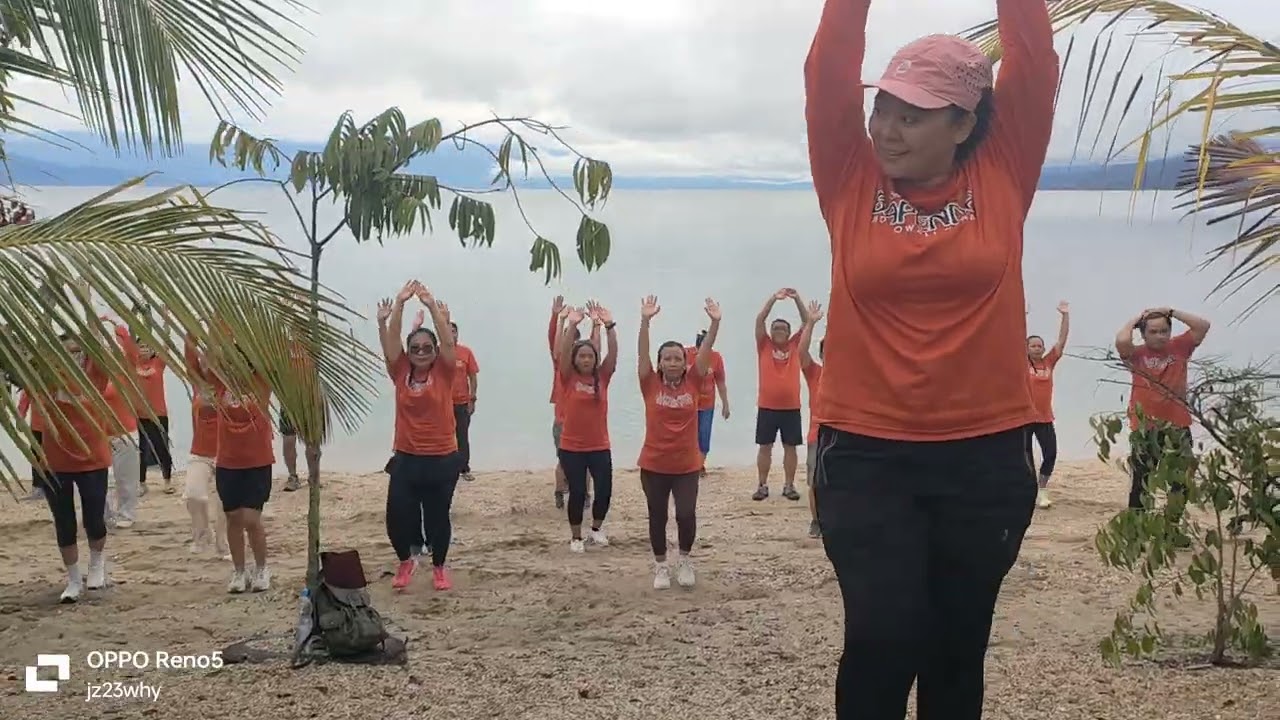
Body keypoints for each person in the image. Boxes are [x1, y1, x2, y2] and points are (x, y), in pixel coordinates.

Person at [805, 0, 1058, 717]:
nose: (886, 128)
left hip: (984, 457)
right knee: (885, 639)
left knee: (955, 650)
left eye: (912, 115)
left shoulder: (1004, 171)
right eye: (882, 108)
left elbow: (1034, 60)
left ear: (964, 124)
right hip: (865, 454)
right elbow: (827, 68)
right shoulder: (850, 173)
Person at [378, 280, 460, 591]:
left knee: (438, 518)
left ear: (435, 351)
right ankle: (406, 560)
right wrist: (398, 305)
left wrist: (430, 305)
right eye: (415, 349)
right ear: (409, 353)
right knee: (397, 515)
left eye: (427, 348)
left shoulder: (444, 370)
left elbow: (448, 344)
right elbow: (391, 345)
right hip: (407, 457)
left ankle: (439, 567)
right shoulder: (401, 371)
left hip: (441, 458)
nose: (421, 352)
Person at [638, 295, 720, 588]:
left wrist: (715, 323)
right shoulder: (649, 382)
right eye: (667, 358)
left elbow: (706, 350)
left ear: (686, 363)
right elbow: (642, 353)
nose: (672, 362)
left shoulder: (694, 382)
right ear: (660, 363)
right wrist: (645, 322)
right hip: (654, 464)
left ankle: (685, 560)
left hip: (686, 464)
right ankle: (661, 566)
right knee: (657, 515)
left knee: (686, 513)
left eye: (677, 358)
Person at [195, 337, 276, 593]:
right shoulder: (220, 384)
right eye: (231, 361)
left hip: (258, 461)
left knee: (251, 518)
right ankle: (240, 572)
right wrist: (212, 325)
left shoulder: (261, 383)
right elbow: (206, 354)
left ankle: (262, 568)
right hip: (228, 462)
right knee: (232, 518)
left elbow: (269, 352)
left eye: (241, 361)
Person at [1115, 307, 1211, 510]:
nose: (1160, 336)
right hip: (1145, 427)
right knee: (1142, 482)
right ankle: (1138, 530)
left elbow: (1202, 326)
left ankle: (1172, 528)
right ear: (1143, 335)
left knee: (1180, 481)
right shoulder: (1137, 354)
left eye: (1164, 331)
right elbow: (1122, 341)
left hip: (1178, 425)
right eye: (1153, 332)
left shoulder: (1180, 347)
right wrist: (1136, 319)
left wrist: (1171, 311)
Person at [554, 301, 619, 552]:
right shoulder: (567, 377)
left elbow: (612, 353)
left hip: (599, 445)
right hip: (572, 447)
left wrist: (609, 326)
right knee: (578, 492)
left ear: (595, 359)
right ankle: (576, 537)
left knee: (604, 490)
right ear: (575, 358)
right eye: (581, 355)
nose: (586, 359)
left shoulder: (602, 376)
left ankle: (596, 530)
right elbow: (563, 351)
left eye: (590, 355)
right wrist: (571, 324)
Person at [752, 288, 809, 502]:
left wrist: (797, 299)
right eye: (775, 328)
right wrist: (773, 300)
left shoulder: (795, 345)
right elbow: (760, 319)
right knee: (764, 446)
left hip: (791, 408)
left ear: (788, 332)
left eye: (782, 328)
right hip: (767, 406)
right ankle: (762, 485)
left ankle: (789, 485)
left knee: (790, 448)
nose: (778, 331)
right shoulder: (764, 345)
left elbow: (806, 322)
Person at [547, 296, 600, 509]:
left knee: (585, 463)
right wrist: (560, 321)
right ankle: (560, 493)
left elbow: (595, 348)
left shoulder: (590, 369)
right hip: (563, 420)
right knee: (564, 460)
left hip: (586, 423)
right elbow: (557, 346)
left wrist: (597, 324)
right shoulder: (563, 368)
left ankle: (584, 494)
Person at [183, 334, 228, 557]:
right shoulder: (198, 383)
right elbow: (189, 355)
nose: (205, 360)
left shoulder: (228, 383)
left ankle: (223, 543)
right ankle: (202, 536)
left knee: (224, 503)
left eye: (210, 356)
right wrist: (191, 330)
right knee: (194, 495)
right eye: (203, 356)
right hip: (200, 451)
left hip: (226, 453)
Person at [1026, 300, 1070, 509]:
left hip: (1044, 417)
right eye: (1033, 345)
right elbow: (1007, 340)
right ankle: (1028, 491)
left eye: (1039, 345)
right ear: (1025, 349)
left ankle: (1042, 489)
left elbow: (1061, 341)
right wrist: (1019, 314)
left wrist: (1065, 315)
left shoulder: (1048, 362)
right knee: (1024, 458)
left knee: (1050, 453)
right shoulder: (1020, 364)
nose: (1037, 348)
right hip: (1024, 419)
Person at [100, 319, 143, 528]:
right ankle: (106, 516)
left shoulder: (125, 371)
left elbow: (131, 350)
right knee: (103, 482)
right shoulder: (92, 373)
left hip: (125, 434)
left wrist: (117, 326)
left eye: (113, 346)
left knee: (126, 483)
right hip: (99, 436)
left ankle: (126, 514)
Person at [130, 329, 173, 495]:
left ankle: (167, 481)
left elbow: (166, 343)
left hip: (159, 414)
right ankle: (141, 483)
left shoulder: (158, 363)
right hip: (139, 415)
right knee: (141, 450)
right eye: (141, 347)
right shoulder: (133, 364)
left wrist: (166, 319)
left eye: (148, 347)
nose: (145, 349)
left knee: (162, 447)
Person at [279, 336, 322, 492]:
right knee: (289, 440)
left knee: (312, 442)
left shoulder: (312, 340)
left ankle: (313, 477)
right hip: (289, 400)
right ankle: (293, 476)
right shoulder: (281, 342)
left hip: (311, 399)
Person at [685, 329, 729, 477]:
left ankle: (699, 466)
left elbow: (721, 382)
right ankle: (689, 466)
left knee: (704, 436)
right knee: (688, 436)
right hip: (687, 404)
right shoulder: (685, 354)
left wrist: (725, 404)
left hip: (706, 405)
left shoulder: (716, 358)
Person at [798, 300, 825, 539]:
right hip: (817, 435)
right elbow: (801, 352)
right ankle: (816, 521)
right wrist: (810, 323)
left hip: (843, 434)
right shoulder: (815, 373)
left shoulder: (852, 375)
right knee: (815, 482)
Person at [17, 390, 46, 502]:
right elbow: (25, 397)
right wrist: (20, 418)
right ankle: (38, 487)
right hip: (37, 427)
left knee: (56, 458)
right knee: (36, 456)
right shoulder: (32, 382)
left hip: (57, 427)